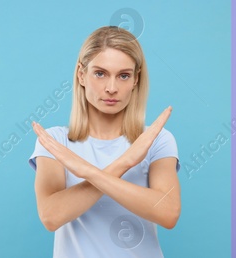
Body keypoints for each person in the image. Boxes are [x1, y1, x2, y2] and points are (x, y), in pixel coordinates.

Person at [29, 25, 180, 258]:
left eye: (123, 75)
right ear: (81, 75)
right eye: (100, 73)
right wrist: (124, 163)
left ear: (135, 80)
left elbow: (168, 213)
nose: (111, 88)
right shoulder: (56, 141)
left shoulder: (156, 140)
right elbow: (51, 216)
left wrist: (87, 171)